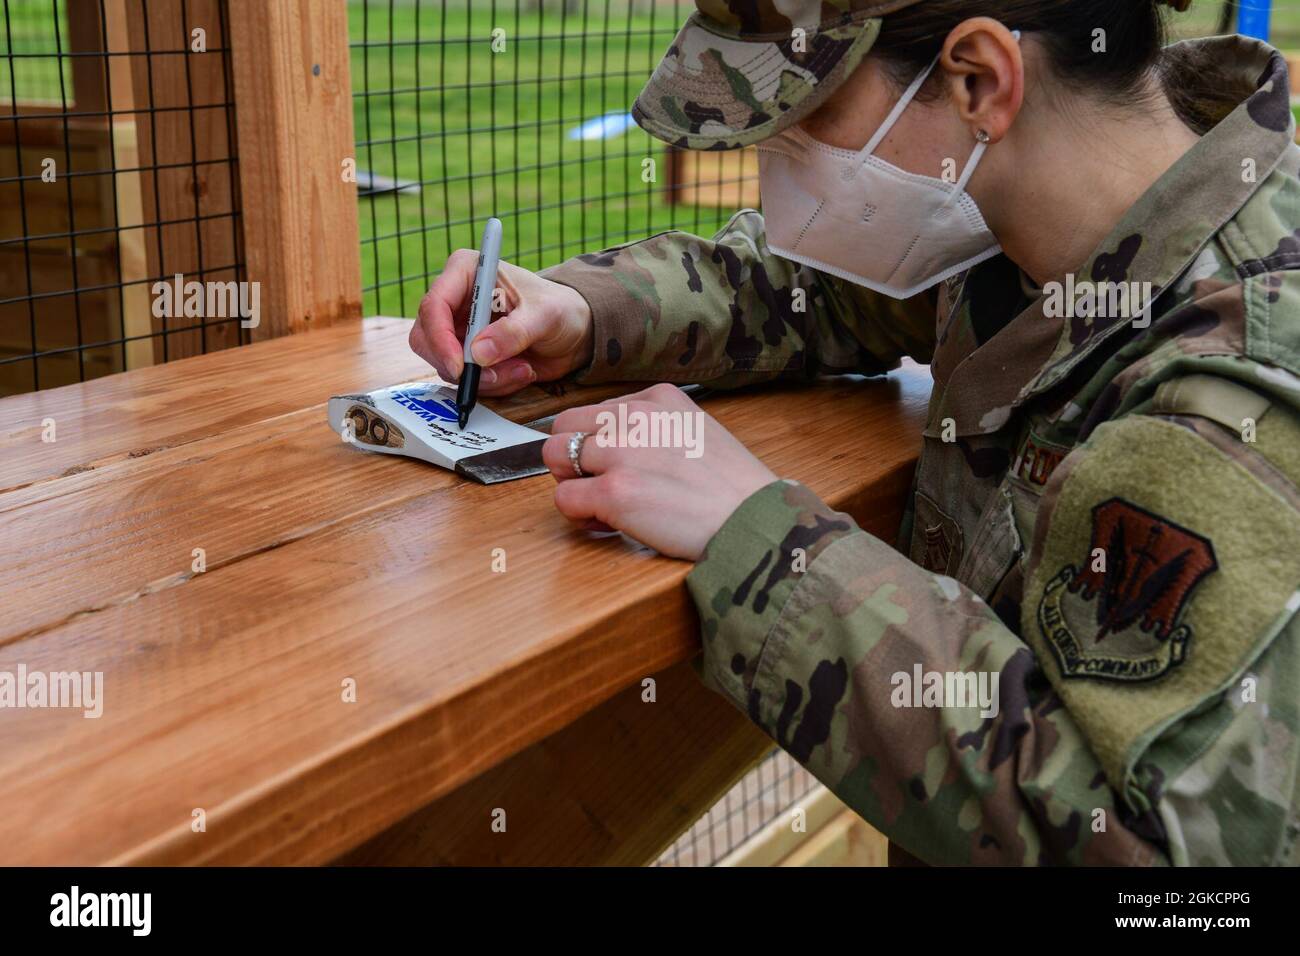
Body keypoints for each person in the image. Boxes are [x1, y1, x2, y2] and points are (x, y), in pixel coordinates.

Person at [410, 0, 1300, 866]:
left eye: (807, 113)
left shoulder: (1227, 391)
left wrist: (763, 541)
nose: (774, 153)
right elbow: (813, 293)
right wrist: (583, 312)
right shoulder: (1039, 212)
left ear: (980, 80)